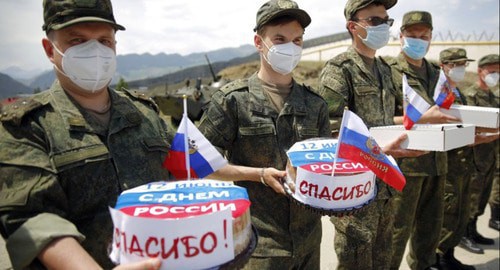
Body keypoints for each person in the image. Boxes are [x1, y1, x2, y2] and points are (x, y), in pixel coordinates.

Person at [0, 0, 173, 269]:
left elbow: (184, 175)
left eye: (104, 41)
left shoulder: (146, 114)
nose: (94, 52)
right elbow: (34, 219)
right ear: (49, 49)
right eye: (78, 40)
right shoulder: (25, 126)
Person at [198, 0, 331, 268]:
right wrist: (256, 174)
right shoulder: (233, 101)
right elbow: (198, 162)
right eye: (280, 39)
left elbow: (326, 165)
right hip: (260, 245)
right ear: (259, 42)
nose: (290, 48)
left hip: (308, 241)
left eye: (297, 40)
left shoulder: (315, 103)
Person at [318, 1, 428, 269]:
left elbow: (384, 120)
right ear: (353, 27)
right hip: (355, 192)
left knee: (383, 259)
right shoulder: (339, 70)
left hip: (386, 186)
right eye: (375, 21)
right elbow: (327, 134)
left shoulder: (385, 70)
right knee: (355, 262)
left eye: (386, 21)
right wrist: (379, 150)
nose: (384, 27)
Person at [384, 11, 460, 270]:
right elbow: (381, 118)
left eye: (423, 36)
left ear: (430, 38)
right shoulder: (389, 72)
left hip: (438, 163)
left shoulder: (438, 74)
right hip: (406, 167)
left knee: (430, 229)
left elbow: (450, 109)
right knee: (396, 232)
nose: (417, 40)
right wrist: (423, 118)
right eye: (412, 35)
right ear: (401, 36)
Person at [435, 47, 477, 270]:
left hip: (462, 159)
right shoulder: (439, 91)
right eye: (457, 64)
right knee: (448, 212)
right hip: (448, 161)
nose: (461, 69)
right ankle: (440, 258)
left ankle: (449, 256)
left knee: (459, 211)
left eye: (463, 64)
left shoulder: (457, 91)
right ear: (445, 66)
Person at [460, 53, 500, 252]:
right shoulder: (471, 95)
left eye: (498, 72)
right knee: (472, 198)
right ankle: (464, 235)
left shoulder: (493, 96)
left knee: (482, 197)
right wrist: (492, 133)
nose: (495, 75)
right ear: (480, 71)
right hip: (474, 158)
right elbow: (468, 128)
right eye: (492, 71)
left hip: (489, 156)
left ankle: (474, 231)